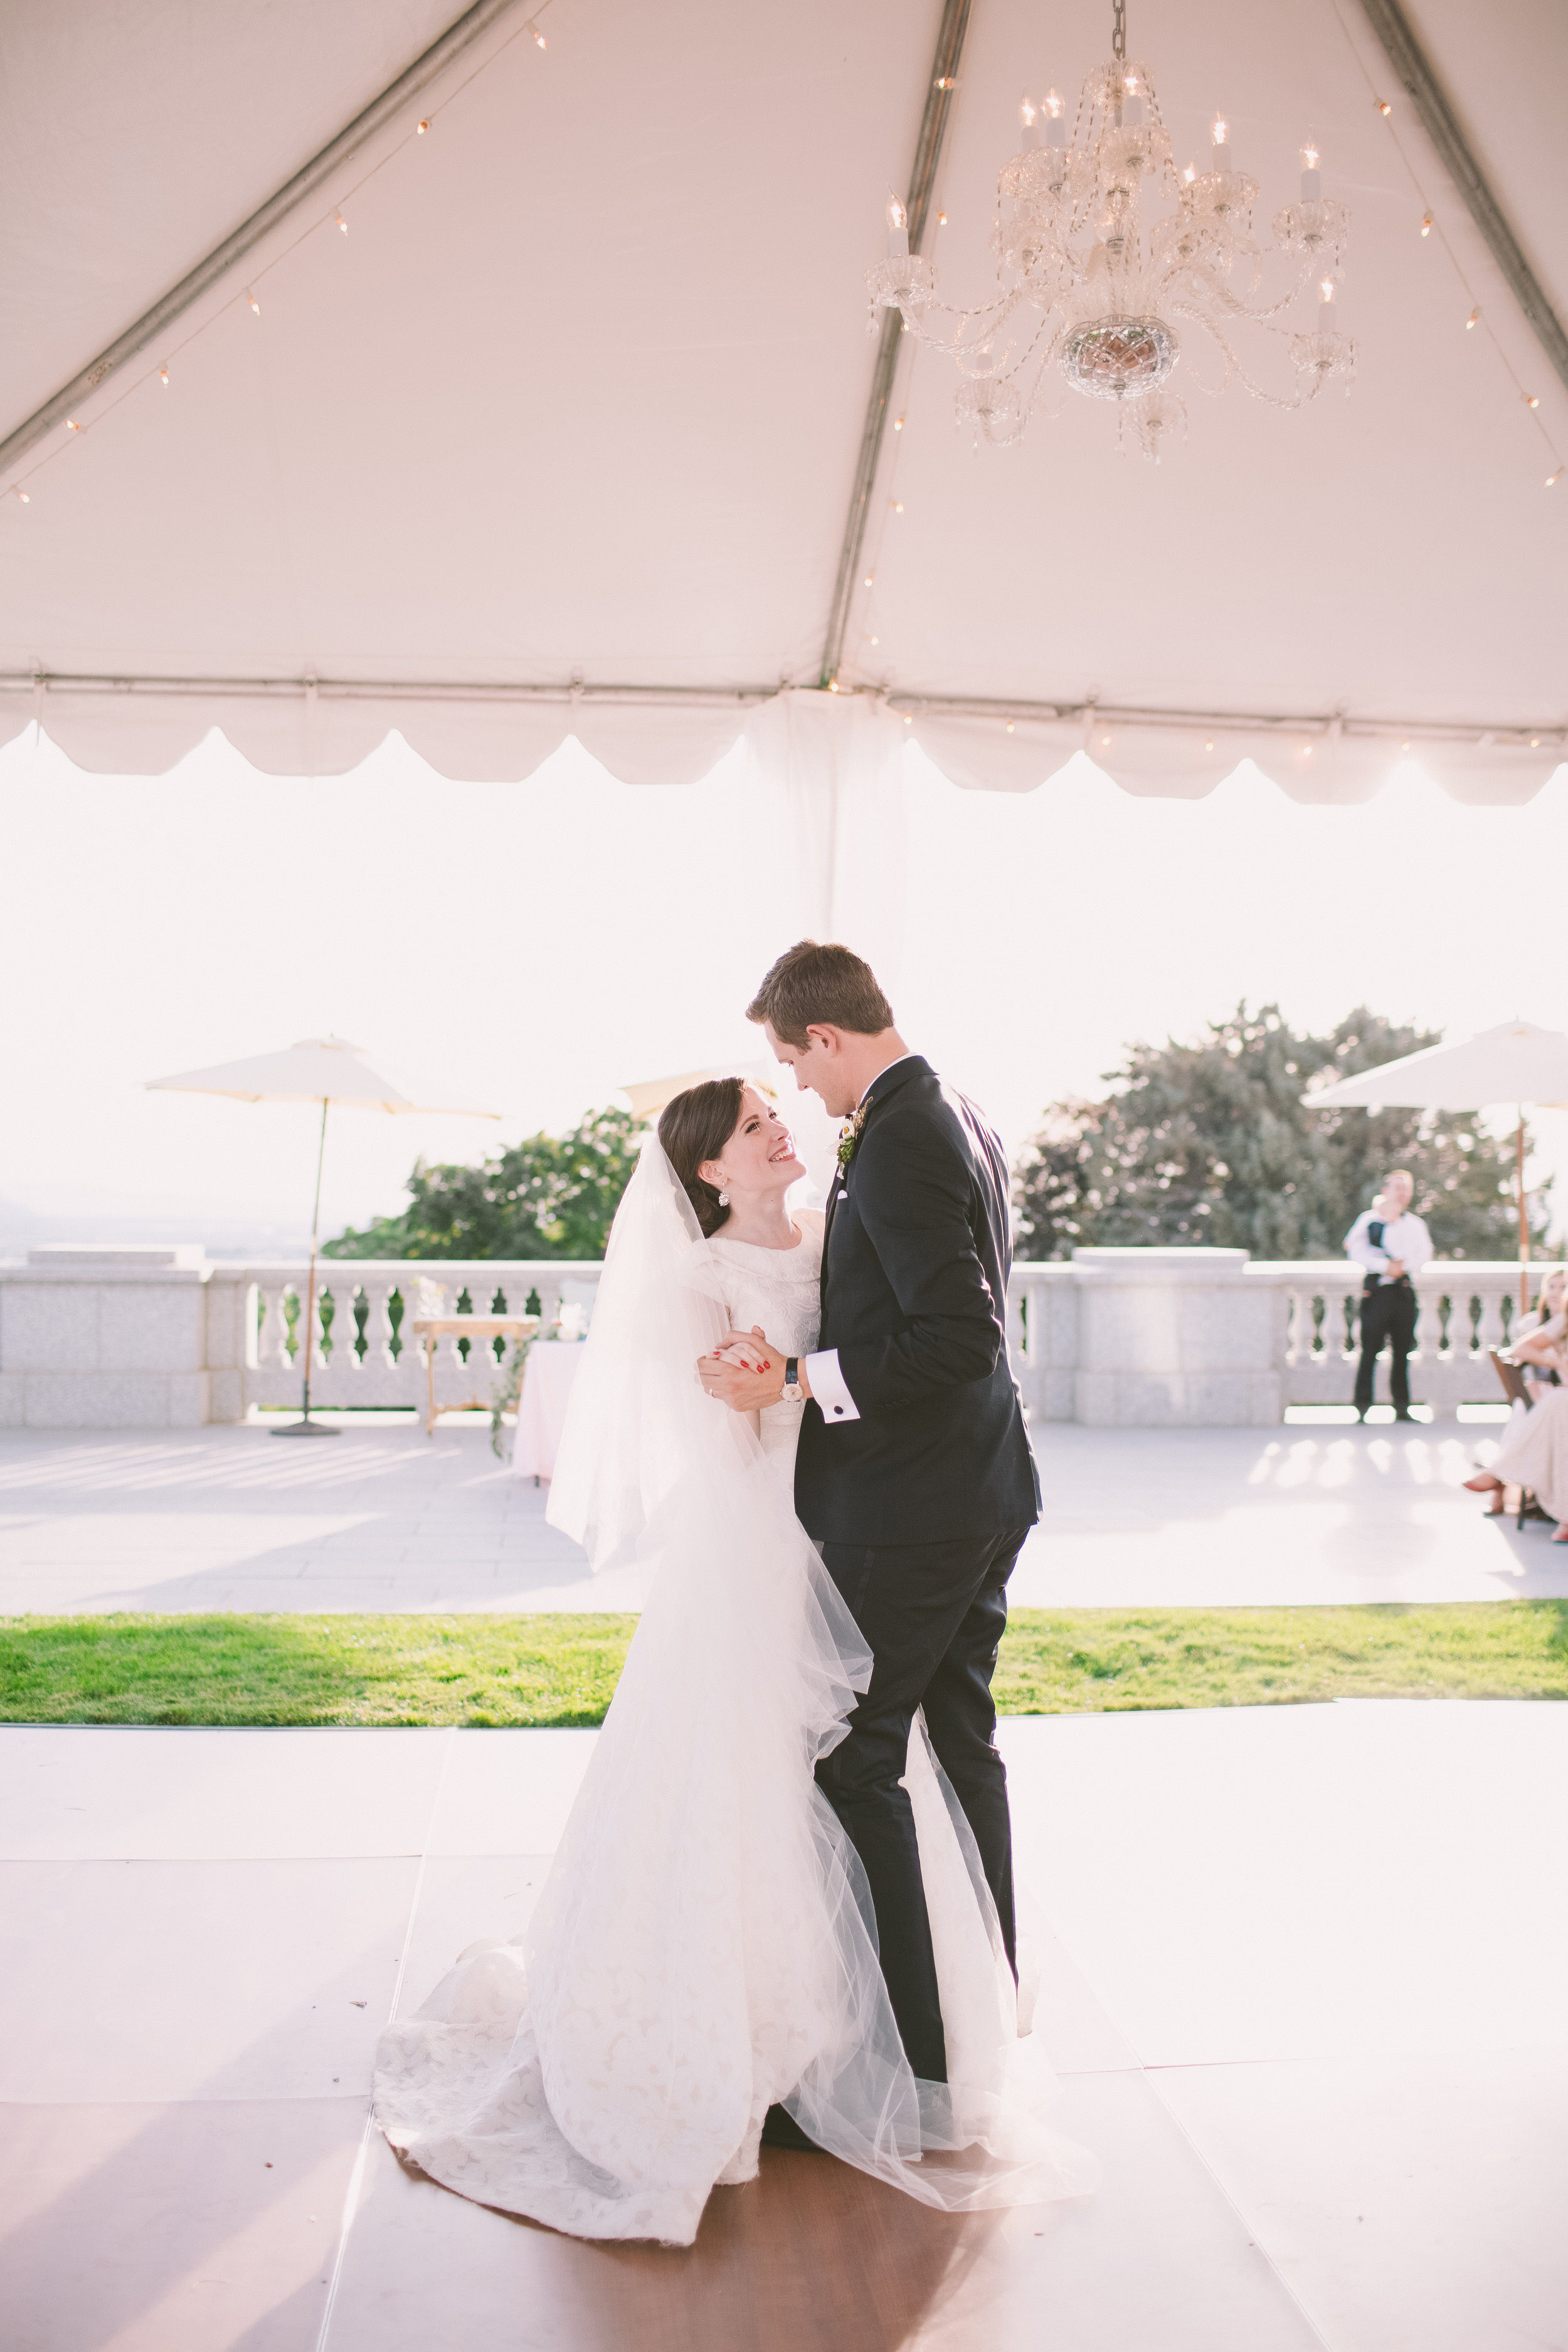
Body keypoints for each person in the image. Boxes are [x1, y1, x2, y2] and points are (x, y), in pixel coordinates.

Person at [372, 1049, 1096, 2242]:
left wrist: (797, 1380)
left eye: (776, 1110)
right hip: (767, 1541)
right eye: (756, 1124)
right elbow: (721, 1400)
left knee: (873, 1758)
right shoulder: (703, 1273)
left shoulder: (829, 1226)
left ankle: (885, 2027)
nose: (779, 1128)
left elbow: (874, 1347)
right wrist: (750, 1383)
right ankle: (764, 2035)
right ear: (708, 1166)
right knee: (768, 1768)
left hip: (858, 1521)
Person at [703, 940, 1042, 2120]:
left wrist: (796, 1379)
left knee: (857, 1758)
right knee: (958, 1750)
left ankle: (916, 2065)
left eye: (794, 1064)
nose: (798, 1089)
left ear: (828, 1038)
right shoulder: (958, 1110)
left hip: (918, 1507)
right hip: (978, 1490)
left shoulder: (900, 1132)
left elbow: (958, 1336)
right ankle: (985, 2022)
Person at [1464, 1264, 1568, 1536]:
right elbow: (1521, 1349)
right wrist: (1556, 1361)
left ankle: (1498, 1474)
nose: (1560, 1293)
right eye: (1555, 1287)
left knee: (1553, 1404)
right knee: (1551, 1405)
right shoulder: (1559, 1321)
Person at [1345, 1169, 1431, 1421]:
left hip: (1404, 1292)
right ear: (1385, 1191)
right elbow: (1354, 1249)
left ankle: (1402, 1406)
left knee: (1403, 1350)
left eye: (1406, 1187)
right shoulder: (1369, 1220)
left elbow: (1424, 1252)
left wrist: (1402, 1267)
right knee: (1370, 1348)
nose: (1402, 1192)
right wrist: (1385, 1267)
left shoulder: (1415, 1224)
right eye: (1397, 1187)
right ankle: (1362, 1406)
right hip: (1378, 1292)